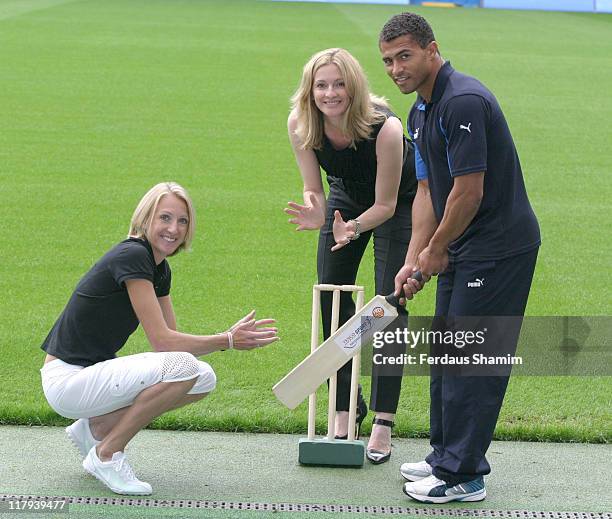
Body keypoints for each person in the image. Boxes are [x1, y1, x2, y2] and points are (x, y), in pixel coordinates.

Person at [379, 13, 541, 503]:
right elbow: (427, 191)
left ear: (432, 49)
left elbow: (469, 193)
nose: (395, 69)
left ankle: (463, 474)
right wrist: (414, 257)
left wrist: (438, 249)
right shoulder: (419, 112)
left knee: (472, 360)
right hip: (462, 244)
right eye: (387, 60)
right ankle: (443, 456)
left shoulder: (461, 101)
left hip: (499, 249)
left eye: (404, 56)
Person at [40, 182, 278, 496]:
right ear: (146, 218)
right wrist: (227, 340)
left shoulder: (159, 269)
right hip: (67, 380)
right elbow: (165, 343)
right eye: (164, 218)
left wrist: (225, 340)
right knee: (184, 367)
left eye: (182, 221)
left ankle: (94, 428)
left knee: (201, 376)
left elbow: (171, 343)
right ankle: (107, 454)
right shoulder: (133, 255)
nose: (173, 228)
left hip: (88, 379)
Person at [285, 48, 417, 464]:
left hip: (399, 205)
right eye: (321, 85)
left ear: (354, 86)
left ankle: (383, 420)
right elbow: (316, 189)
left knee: (387, 306)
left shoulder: (387, 129)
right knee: (334, 298)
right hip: (346, 196)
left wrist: (354, 227)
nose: (330, 93)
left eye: (339, 84)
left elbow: (387, 205)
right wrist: (317, 211)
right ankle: (345, 406)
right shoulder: (302, 124)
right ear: (310, 90)